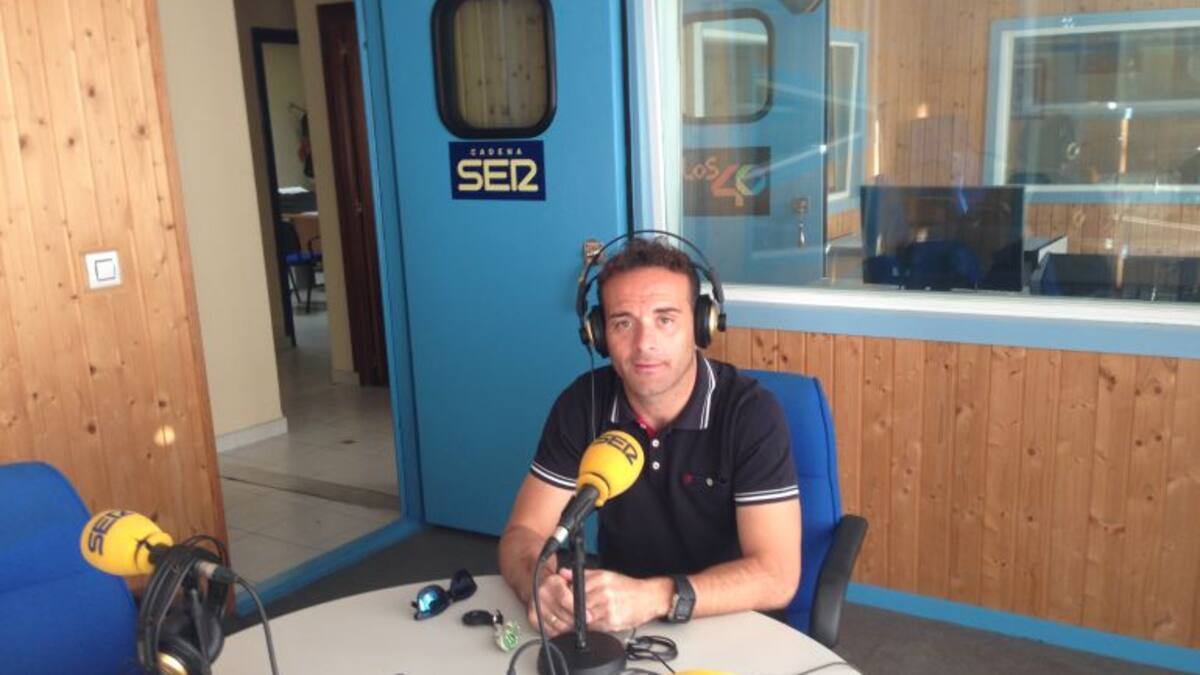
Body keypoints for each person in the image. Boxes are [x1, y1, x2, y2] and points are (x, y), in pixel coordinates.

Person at [498, 236, 801, 637]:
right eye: (623, 323)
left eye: (665, 319)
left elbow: (777, 575)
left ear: (701, 326)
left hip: (730, 620)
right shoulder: (582, 404)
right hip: (620, 624)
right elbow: (523, 533)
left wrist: (655, 597)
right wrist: (539, 584)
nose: (644, 344)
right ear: (599, 335)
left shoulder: (750, 413)